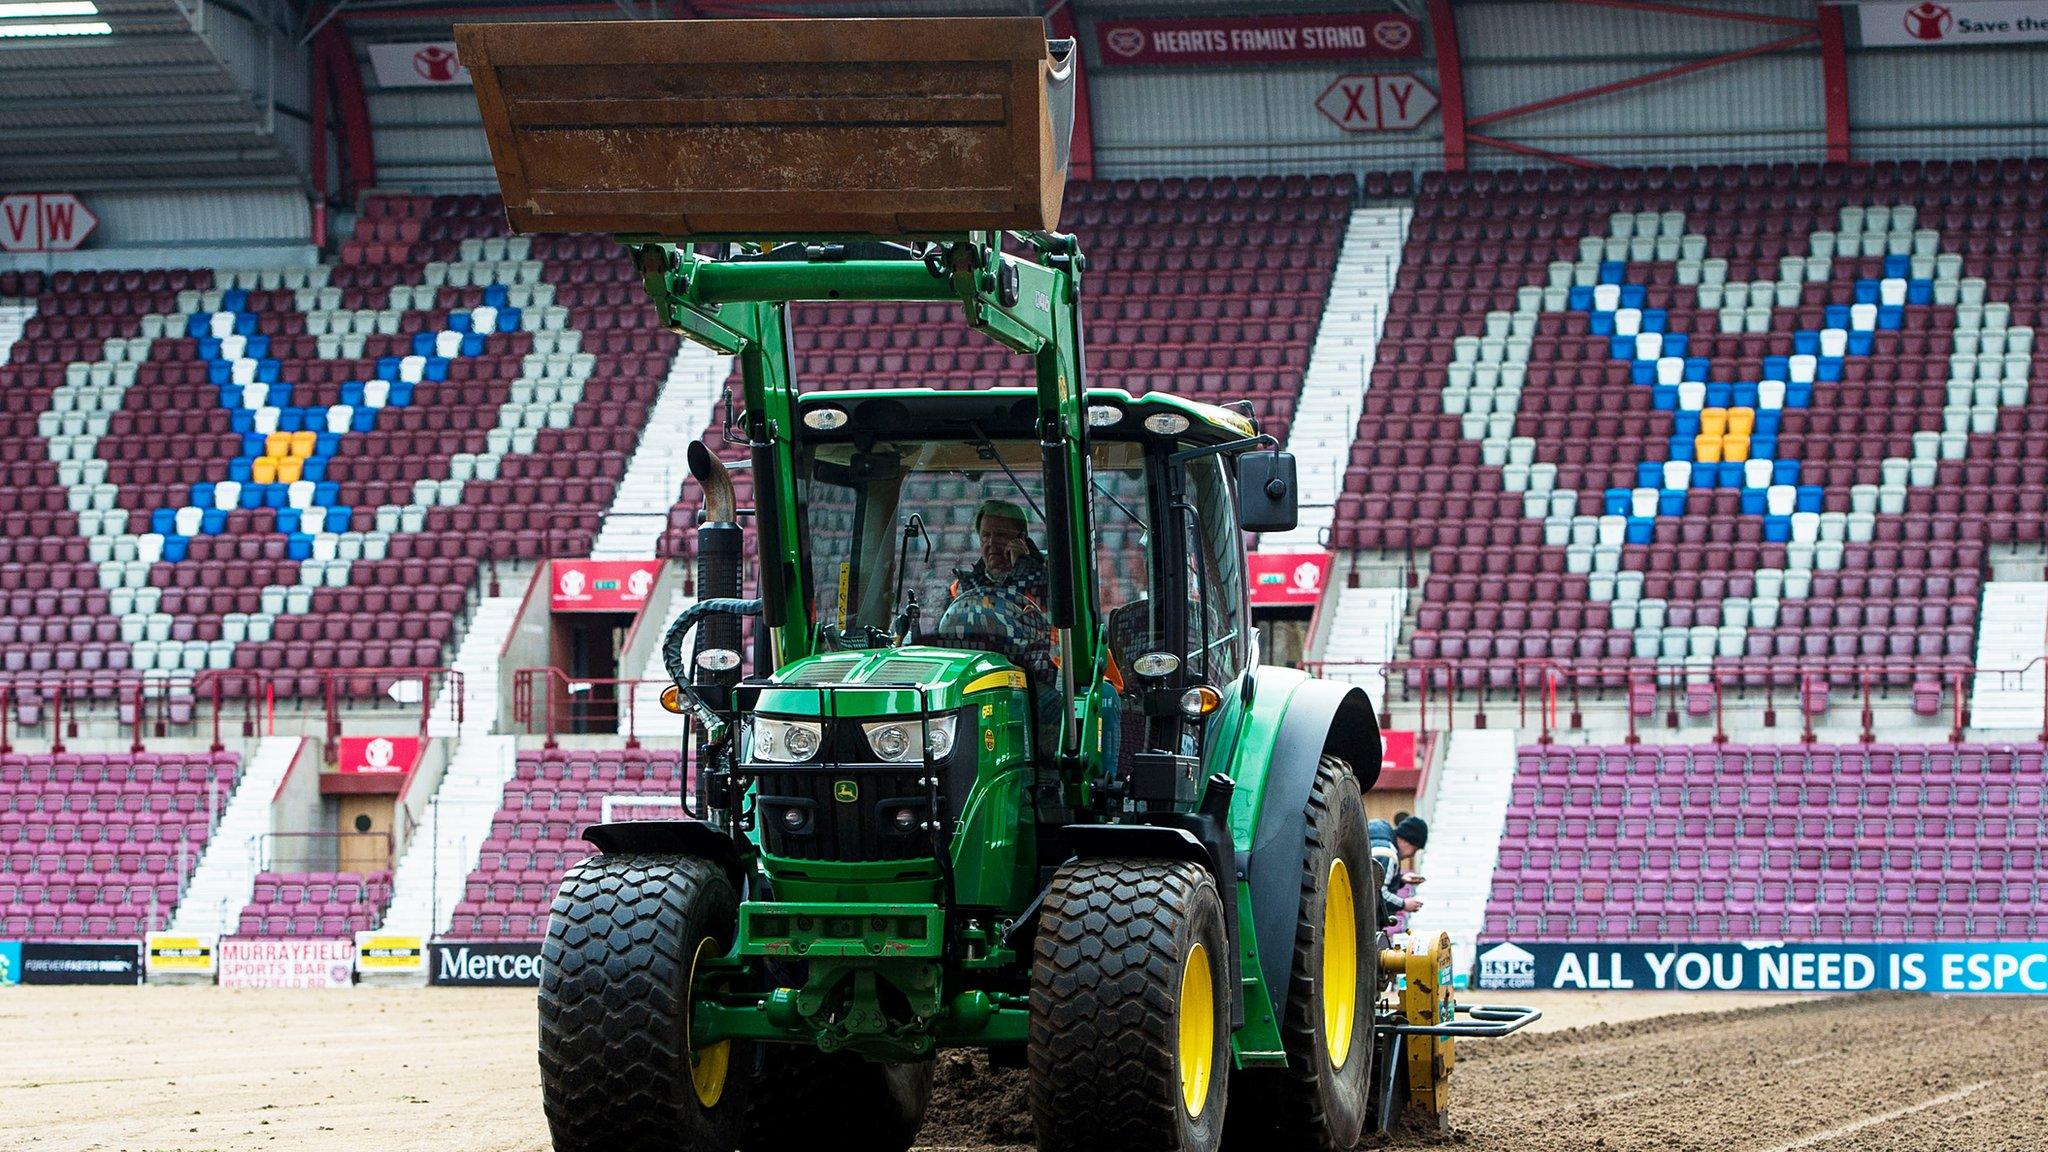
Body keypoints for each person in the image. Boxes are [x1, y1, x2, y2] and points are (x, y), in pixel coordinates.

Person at [936, 499, 1055, 687]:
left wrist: (1023, 567)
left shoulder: (1051, 581)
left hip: (1037, 681)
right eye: (985, 536)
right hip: (972, 679)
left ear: (1020, 539)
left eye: (1000, 535)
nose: (991, 543)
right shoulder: (960, 589)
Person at [1368, 813, 1429, 928]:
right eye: (1414, 850)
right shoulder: (1387, 854)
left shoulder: (1379, 842)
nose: (1412, 855)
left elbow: (1370, 879)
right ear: (1406, 841)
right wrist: (1404, 904)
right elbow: (1378, 894)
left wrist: (1401, 880)